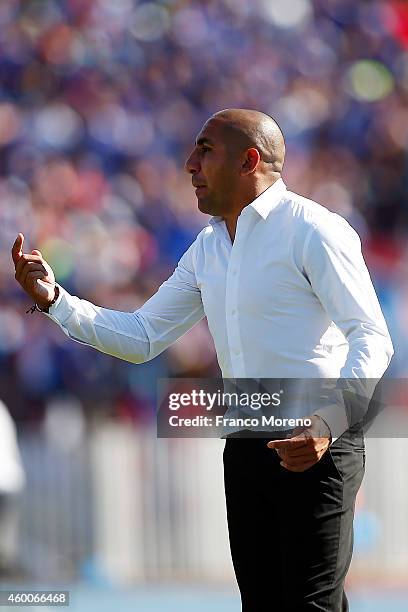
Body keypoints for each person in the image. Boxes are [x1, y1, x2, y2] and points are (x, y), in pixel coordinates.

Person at [12, 109, 393, 610]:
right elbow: (144, 336)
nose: (190, 164)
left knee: (309, 605)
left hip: (317, 444)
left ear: (249, 161)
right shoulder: (208, 247)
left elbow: (371, 337)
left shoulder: (314, 229)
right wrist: (55, 300)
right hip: (247, 442)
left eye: (205, 150)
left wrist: (329, 423)